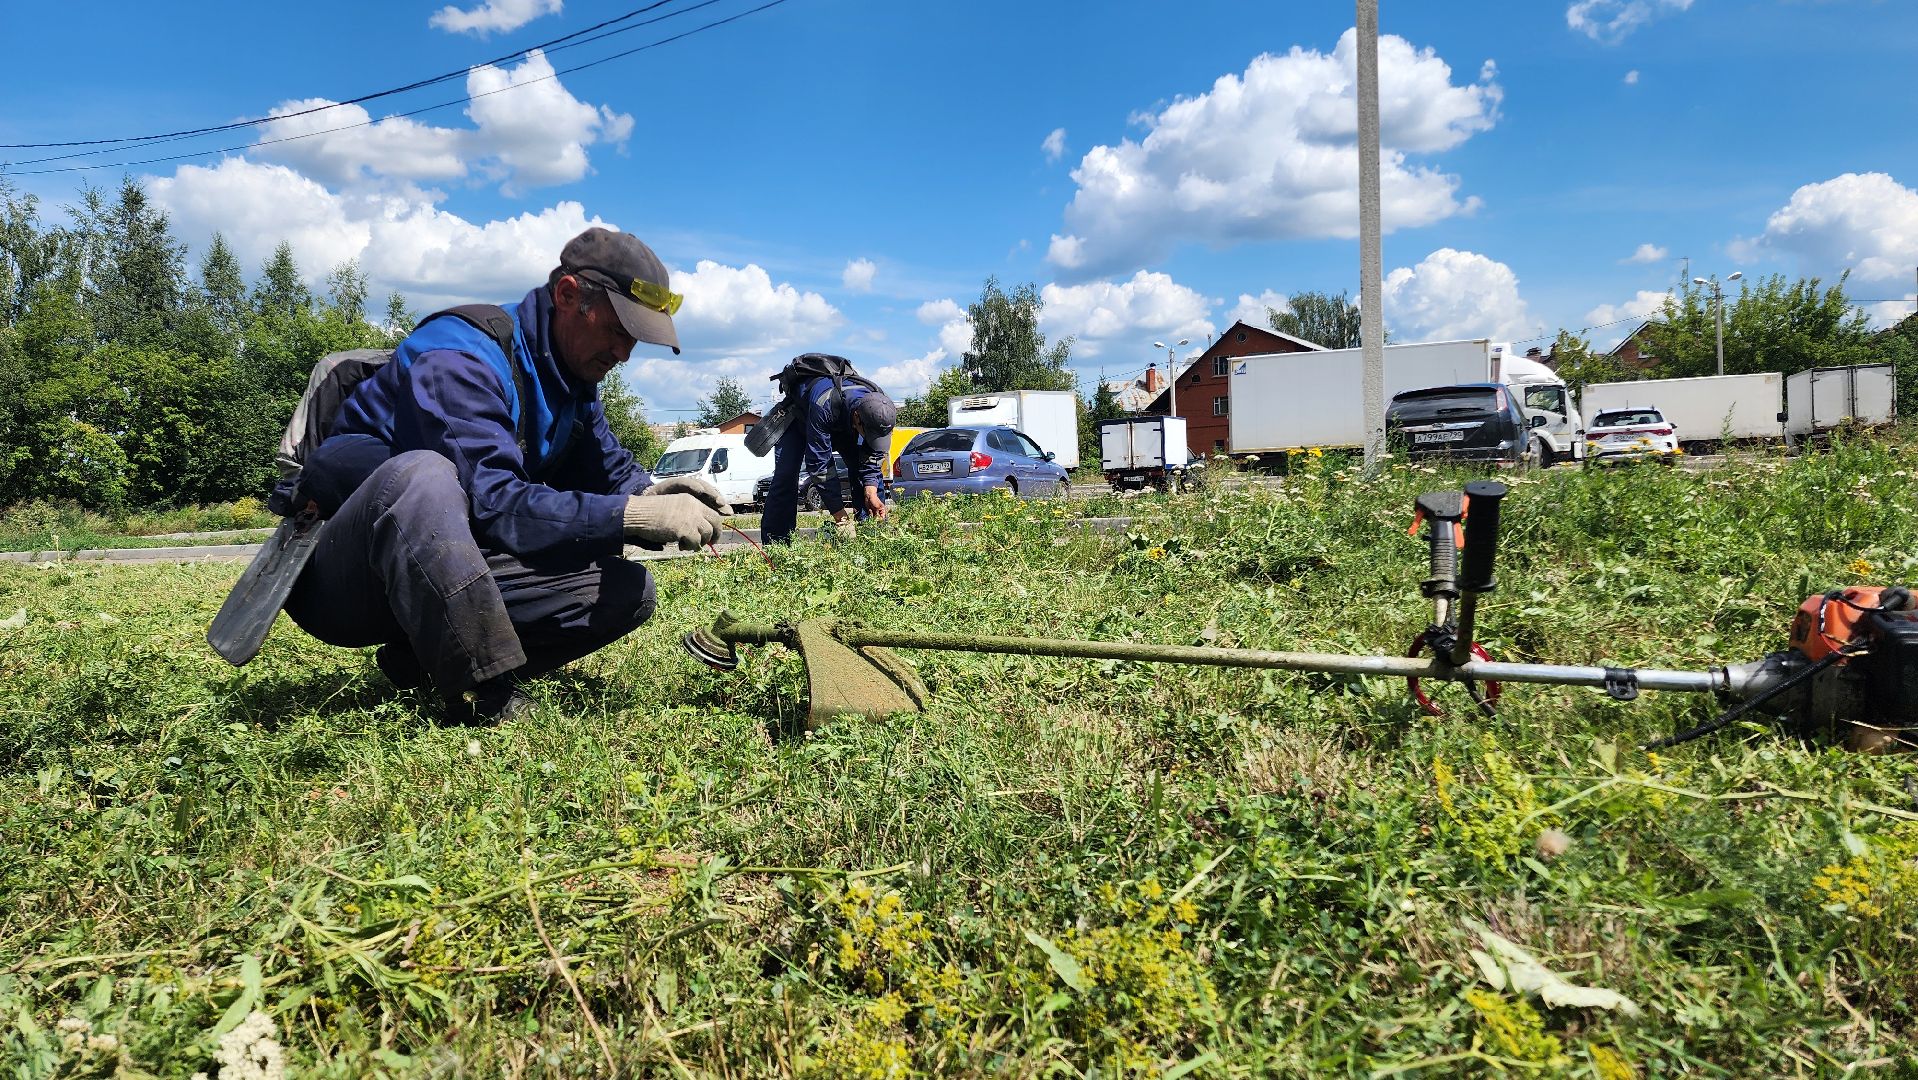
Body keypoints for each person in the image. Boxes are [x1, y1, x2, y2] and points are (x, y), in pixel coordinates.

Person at [283, 227, 729, 723]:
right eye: (619, 331)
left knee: (627, 593)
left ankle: (417, 662)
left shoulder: (571, 380)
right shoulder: (458, 360)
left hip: (436, 569)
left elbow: (606, 468)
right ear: (567, 295)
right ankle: (480, 695)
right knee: (425, 476)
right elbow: (493, 501)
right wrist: (635, 514)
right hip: (343, 577)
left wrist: (652, 489)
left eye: (635, 340)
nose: (624, 353)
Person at [760, 361, 897, 544]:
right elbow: (820, 465)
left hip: (844, 425)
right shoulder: (823, 403)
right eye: (869, 434)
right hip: (800, 420)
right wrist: (840, 517)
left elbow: (871, 456)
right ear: (857, 417)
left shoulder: (880, 406)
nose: (872, 439)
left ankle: (872, 539)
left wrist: (870, 491)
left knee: (869, 480)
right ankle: (777, 545)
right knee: (786, 477)